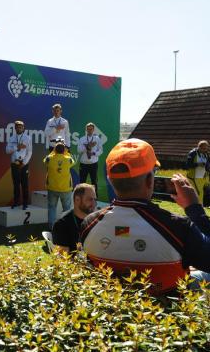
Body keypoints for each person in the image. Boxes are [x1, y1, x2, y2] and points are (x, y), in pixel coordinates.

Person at [81, 138, 210, 295]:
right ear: (150, 180)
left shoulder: (88, 223)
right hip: (168, 312)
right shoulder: (179, 227)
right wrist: (194, 208)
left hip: (110, 308)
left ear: (110, 180)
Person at [52, 183, 96, 254]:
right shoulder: (61, 224)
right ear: (77, 200)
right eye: (90, 199)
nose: (94, 204)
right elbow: (64, 259)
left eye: (94, 199)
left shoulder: (94, 220)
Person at [43, 137, 76, 229]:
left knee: (52, 208)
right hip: (66, 189)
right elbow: (71, 159)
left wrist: (54, 151)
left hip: (52, 188)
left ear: (54, 150)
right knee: (66, 210)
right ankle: (66, 227)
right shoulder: (68, 159)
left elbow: (45, 160)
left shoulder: (49, 159)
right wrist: (65, 151)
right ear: (64, 150)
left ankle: (51, 227)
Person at [5, 120, 32, 210]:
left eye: (21, 127)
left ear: (23, 128)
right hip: (14, 164)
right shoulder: (11, 138)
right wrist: (17, 147)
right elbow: (7, 151)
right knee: (16, 184)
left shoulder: (27, 138)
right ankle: (16, 202)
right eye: (17, 127)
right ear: (15, 128)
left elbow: (30, 151)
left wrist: (24, 162)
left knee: (25, 184)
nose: (19, 128)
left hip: (24, 164)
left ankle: (25, 203)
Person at [78, 122, 103, 196]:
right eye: (88, 129)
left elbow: (101, 150)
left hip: (93, 163)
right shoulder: (82, 139)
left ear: (93, 130)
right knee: (82, 182)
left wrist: (94, 153)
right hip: (84, 163)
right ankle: (81, 197)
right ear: (86, 130)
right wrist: (87, 147)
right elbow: (79, 150)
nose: (89, 130)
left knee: (94, 181)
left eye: (91, 129)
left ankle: (95, 197)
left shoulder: (97, 139)